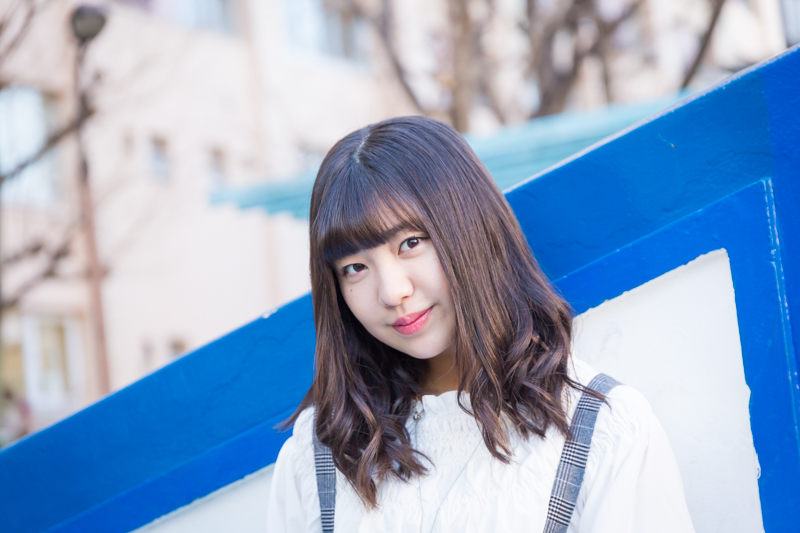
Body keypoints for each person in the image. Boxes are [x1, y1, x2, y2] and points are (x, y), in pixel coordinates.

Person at [266, 116, 694, 532]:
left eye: (410, 243)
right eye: (355, 267)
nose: (392, 292)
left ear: (470, 230)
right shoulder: (319, 454)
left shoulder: (600, 431)